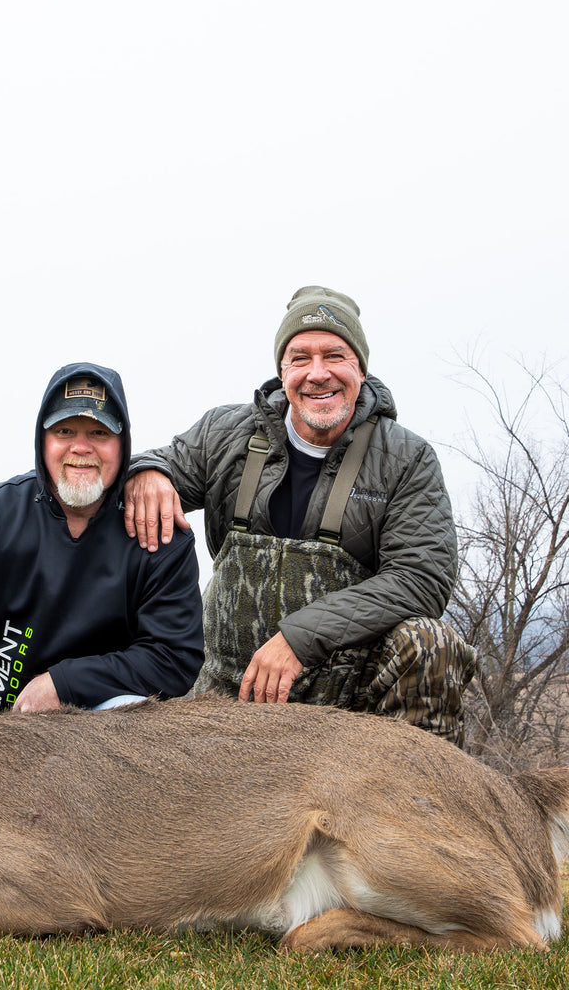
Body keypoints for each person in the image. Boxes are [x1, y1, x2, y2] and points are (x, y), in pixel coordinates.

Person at [123, 286, 476, 746]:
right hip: (226, 695)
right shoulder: (224, 432)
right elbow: (156, 465)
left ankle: (423, 805)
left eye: (335, 355)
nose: (317, 374)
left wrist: (298, 639)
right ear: (282, 370)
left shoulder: (407, 458)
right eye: (300, 357)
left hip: (346, 703)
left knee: (432, 644)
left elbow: (420, 579)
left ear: (360, 369)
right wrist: (146, 470)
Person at [0, 361, 204, 714]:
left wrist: (64, 683)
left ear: (123, 446)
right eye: (64, 432)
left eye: (99, 433)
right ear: (41, 441)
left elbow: (174, 656)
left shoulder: (159, 535)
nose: (81, 447)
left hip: (101, 730)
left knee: (133, 712)